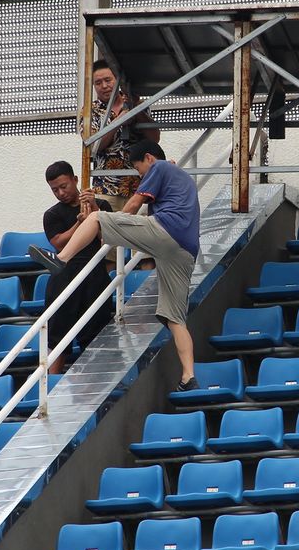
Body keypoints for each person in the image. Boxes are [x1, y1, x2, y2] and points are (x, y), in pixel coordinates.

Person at [31, 142, 201, 391]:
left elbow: (133, 204)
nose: (140, 176)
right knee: (175, 318)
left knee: (97, 217)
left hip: (167, 232)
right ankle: (189, 376)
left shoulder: (158, 167)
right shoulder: (180, 178)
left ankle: (61, 259)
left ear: (148, 158)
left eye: (138, 170)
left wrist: (120, 224)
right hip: (186, 250)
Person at [40, 161, 114, 374]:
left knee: (93, 337)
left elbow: (107, 239)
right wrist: (79, 223)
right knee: (58, 339)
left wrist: (96, 211)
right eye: (55, 189)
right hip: (64, 279)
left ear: (75, 180)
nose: (61, 193)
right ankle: (48, 393)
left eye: (64, 186)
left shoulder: (100, 205)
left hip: (94, 278)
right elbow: (58, 243)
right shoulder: (52, 215)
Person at [89, 59, 161, 210]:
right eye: (98, 82)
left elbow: (155, 139)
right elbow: (94, 146)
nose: (104, 86)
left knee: (137, 232)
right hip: (106, 188)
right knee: (106, 231)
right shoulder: (91, 111)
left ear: (117, 80)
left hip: (140, 187)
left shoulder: (137, 103)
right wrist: (120, 120)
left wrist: (136, 109)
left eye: (108, 80)